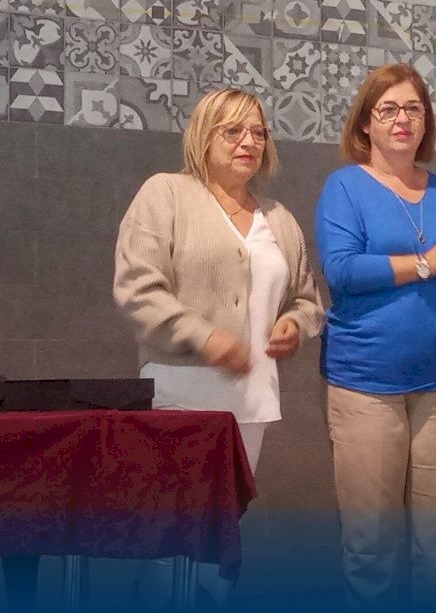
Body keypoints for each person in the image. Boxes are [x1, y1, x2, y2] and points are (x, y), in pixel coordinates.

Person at [113, 87, 325, 606]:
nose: (248, 142)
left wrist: (294, 325)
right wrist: (205, 337)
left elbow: (307, 300)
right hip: (177, 396)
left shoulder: (278, 217)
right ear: (203, 137)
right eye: (233, 131)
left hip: (251, 403)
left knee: (220, 542)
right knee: (166, 541)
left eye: (258, 132)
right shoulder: (165, 194)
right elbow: (138, 289)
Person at [315, 63, 436, 611]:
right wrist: (428, 262)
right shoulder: (345, 186)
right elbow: (342, 271)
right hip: (365, 385)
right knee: (371, 544)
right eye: (388, 109)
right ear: (365, 123)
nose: (402, 119)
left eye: (413, 109)